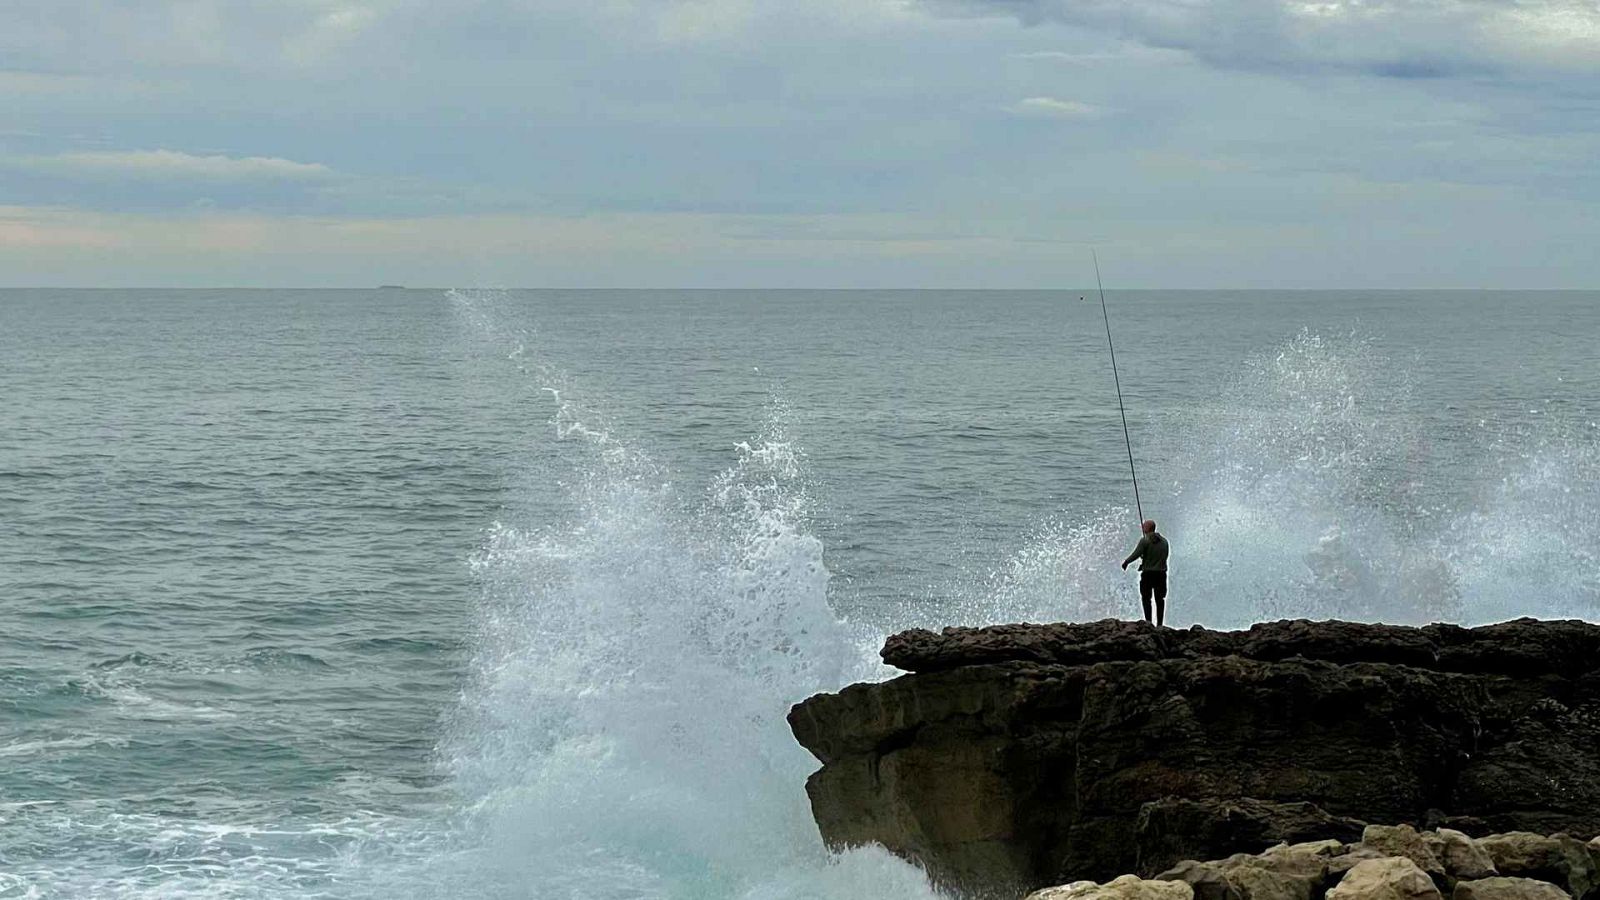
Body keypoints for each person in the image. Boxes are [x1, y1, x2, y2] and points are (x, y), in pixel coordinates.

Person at [1121, 519, 1169, 626]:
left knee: (1146, 599)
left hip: (1148, 575)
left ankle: (1149, 622)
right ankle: (1160, 624)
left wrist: (1126, 562)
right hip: (1161, 574)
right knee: (1160, 599)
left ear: (1148, 528)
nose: (1142, 528)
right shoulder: (1165, 541)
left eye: (1144, 526)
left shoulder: (1145, 541)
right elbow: (1164, 557)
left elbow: (1136, 554)